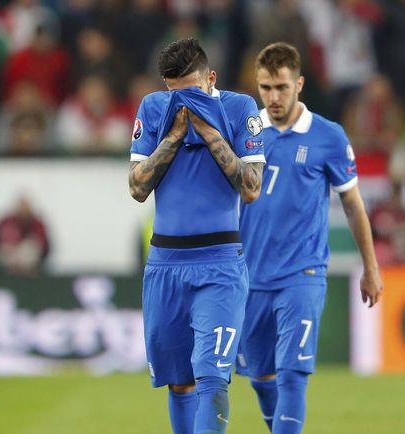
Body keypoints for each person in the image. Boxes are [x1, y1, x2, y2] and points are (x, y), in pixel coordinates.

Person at [236, 42, 383, 434]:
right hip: (251, 276)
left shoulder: (328, 136)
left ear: (299, 84)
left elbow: (353, 204)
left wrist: (371, 267)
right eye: (266, 88)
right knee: (261, 377)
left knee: (292, 372)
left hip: (303, 273)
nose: (273, 97)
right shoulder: (245, 133)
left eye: (282, 87)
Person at [129, 38, 265, 434]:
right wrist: (173, 136)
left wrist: (208, 131)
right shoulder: (154, 108)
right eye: (176, 93)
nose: (183, 102)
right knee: (180, 380)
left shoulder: (239, 109)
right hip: (165, 265)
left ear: (211, 79)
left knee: (212, 376)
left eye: (192, 92)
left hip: (219, 263)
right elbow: (137, 188)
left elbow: (252, 188)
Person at [0, 196, 50, 275]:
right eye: (21, 207)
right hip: (8, 262)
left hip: (30, 265)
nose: (23, 211)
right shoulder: (6, 222)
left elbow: (46, 247)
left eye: (25, 208)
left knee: (29, 247)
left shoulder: (37, 225)